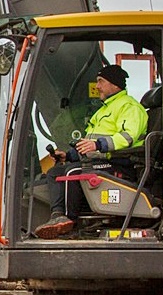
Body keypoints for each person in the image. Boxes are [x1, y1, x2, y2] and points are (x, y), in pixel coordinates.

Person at [34, 64, 148, 239]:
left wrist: (98, 145)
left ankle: (68, 220)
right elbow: (89, 145)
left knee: (72, 172)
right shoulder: (103, 110)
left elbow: (127, 138)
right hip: (101, 160)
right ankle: (57, 215)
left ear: (115, 85)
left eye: (101, 81)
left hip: (121, 163)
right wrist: (68, 155)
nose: (97, 86)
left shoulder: (129, 107)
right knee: (54, 172)